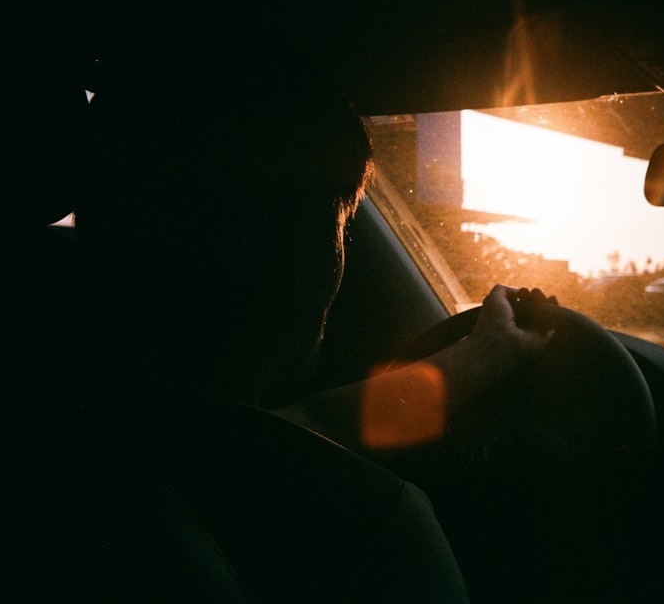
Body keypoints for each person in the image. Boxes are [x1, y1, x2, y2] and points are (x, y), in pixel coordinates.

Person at [64, 34, 555, 600]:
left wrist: (491, 349)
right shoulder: (367, 530)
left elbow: (300, 426)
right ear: (308, 257)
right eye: (342, 230)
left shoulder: (61, 405)